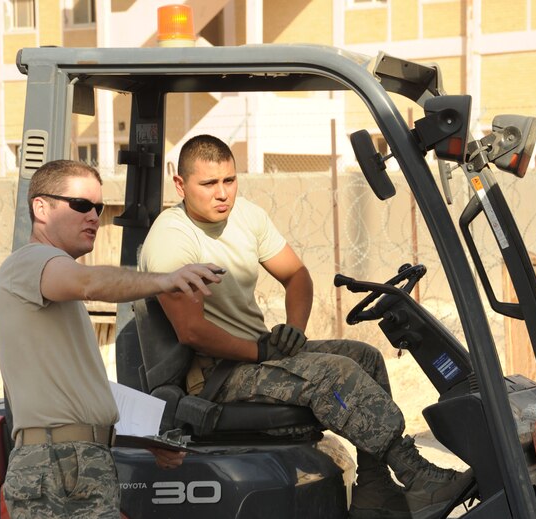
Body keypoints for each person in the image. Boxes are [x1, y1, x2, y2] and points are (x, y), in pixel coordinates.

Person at [139, 135, 474, 519]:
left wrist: (294, 330)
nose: (222, 194)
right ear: (181, 185)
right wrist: (261, 351)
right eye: (208, 184)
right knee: (334, 373)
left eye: (229, 181)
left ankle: (376, 487)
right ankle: (417, 474)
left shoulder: (247, 216)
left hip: (255, 355)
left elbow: (296, 274)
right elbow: (192, 332)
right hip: (214, 374)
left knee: (364, 357)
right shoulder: (171, 238)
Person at [0, 160, 222, 518]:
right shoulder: (32, 262)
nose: (95, 216)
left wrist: (141, 443)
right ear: (41, 208)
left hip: (81, 459)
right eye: (81, 205)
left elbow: (76, 407)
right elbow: (90, 284)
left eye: (98, 207)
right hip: (55, 465)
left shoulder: (53, 282)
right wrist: (167, 279)